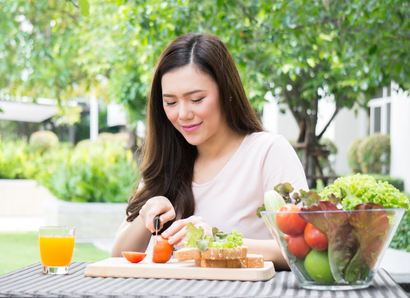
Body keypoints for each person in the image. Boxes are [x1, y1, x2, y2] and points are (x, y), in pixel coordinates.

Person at [111, 33, 308, 270]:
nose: (183, 114)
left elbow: (300, 249)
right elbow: (117, 257)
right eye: (171, 103)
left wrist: (214, 243)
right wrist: (147, 215)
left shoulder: (267, 152)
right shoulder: (167, 161)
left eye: (196, 99)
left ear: (226, 92)